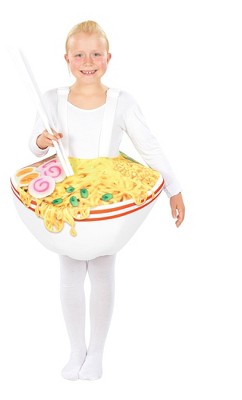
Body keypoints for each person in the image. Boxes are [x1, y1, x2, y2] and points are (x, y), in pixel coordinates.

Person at [28, 20, 185, 381]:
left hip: (108, 188)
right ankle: (76, 350)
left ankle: (96, 352)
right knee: (70, 267)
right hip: (67, 190)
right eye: (79, 55)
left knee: (101, 267)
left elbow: (149, 146)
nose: (88, 62)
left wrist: (173, 189)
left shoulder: (121, 102)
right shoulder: (51, 99)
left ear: (109, 58)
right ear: (66, 58)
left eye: (96, 54)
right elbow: (33, 146)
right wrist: (42, 141)